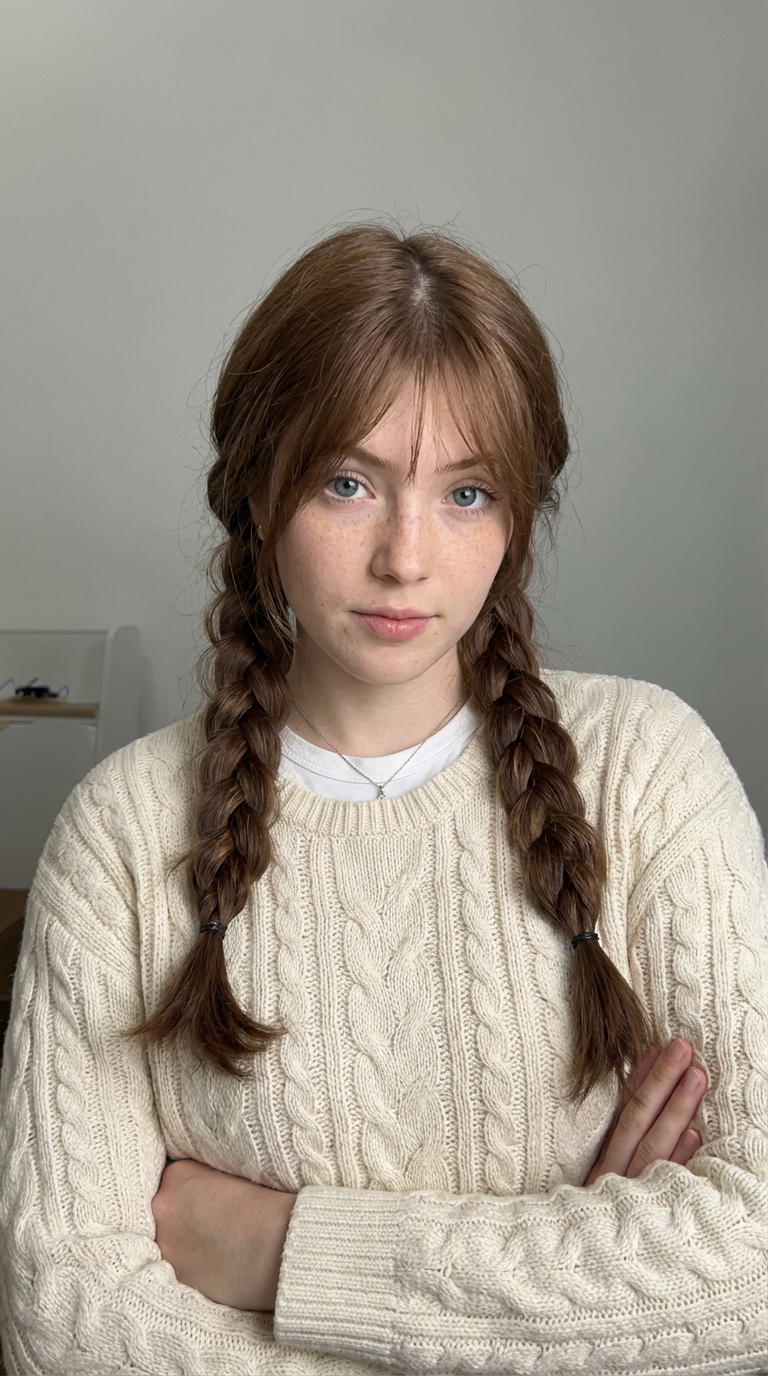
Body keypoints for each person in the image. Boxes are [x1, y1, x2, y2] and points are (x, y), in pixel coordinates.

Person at [0, 223, 765, 1376]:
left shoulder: (650, 772)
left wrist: (281, 1251)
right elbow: (64, 1324)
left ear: (517, 518)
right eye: (348, 482)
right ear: (259, 492)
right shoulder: (118, 836)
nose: (407, 555)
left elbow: (753, 1263)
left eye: (467, 492)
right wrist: (573, 1306)